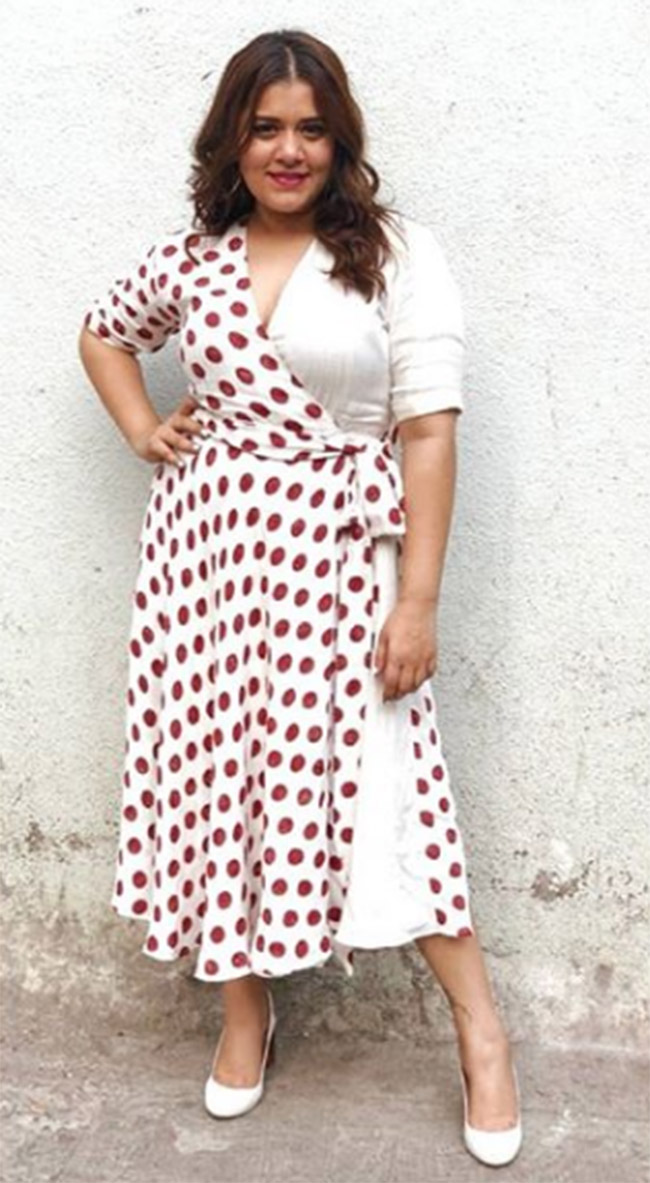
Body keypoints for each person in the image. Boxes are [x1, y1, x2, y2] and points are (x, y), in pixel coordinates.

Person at [78, 27, 522, 1167]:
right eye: (265, 127)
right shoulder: (193, 258)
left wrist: (415, 600)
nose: (288, 150)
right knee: (216, 778)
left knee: (391, 790)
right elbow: (103, 334)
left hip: (339, 564)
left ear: (340, 140)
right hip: (206, 565)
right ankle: (243, 1014)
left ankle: (481, 1032)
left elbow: (427, 432)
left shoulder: (393, 254)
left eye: (311, 129)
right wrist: (142, 427)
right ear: (232, 139)